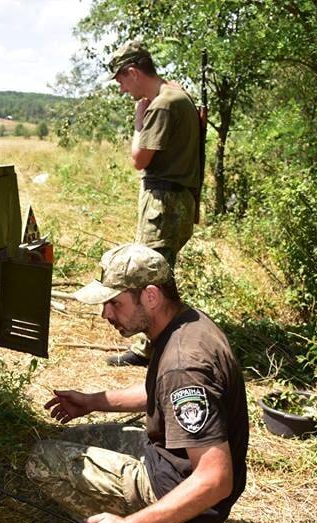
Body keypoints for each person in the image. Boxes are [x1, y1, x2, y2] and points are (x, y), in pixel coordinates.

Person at [26, 244, 248, 523]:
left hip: (180, 485)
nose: (106, 315)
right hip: (167, 458)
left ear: (151, 296)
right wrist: (91, 402)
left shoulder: (183, 365)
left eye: (115, 303)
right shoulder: (186, 323)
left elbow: (216, 479)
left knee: (41, 460)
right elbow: (160, 394)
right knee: (68, 442)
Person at [106, 40, 201, 367]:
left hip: (163, 203)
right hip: (178, 200)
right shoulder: (179, 95)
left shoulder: (161, 104)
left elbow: (139, 158)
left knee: (151, 275)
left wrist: (138, 121)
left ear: (133, 72)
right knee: (162, 274)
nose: (121, 88)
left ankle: (155, 348)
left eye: (120, 80)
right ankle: (168, 340)